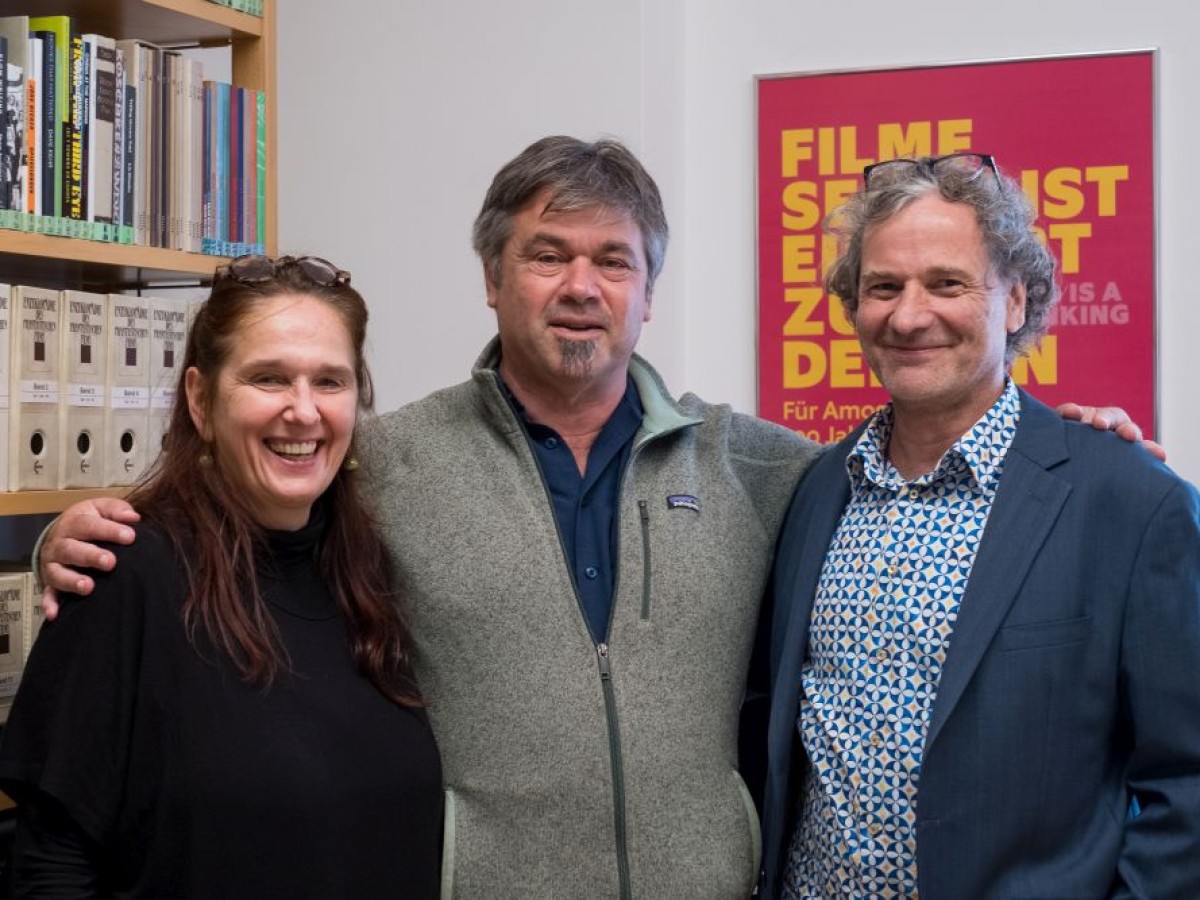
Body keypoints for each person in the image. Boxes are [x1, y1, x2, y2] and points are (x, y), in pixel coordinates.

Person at [33, 138, 1157, 899]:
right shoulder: (383, 462)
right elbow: (251, 496)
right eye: (548, 255)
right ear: (492, 276)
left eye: (613, 259)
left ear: (649, 288)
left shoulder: (771, 469)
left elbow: (926, 458)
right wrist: (77, 533)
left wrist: (1071, 441)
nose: (582, 285)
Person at [756, 153, 1200, 899]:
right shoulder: (814, 492)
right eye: (883, 288)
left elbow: (1187, 783)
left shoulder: (1127, 501)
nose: (908, 315)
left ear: (1017, 302)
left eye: (947, 283)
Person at [0, 256, 443, 896]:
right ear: (201, 400)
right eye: (268, 378)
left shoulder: (374, 576)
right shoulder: (124, 576)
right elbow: (52, 869)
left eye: (330, 381)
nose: (303, 411)